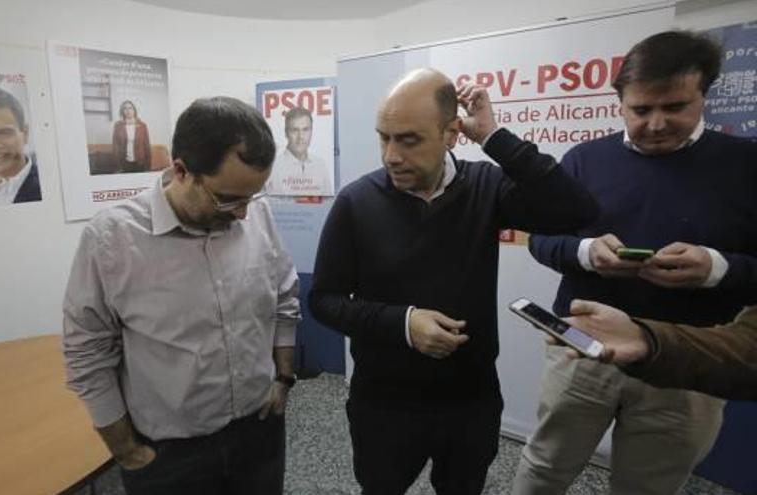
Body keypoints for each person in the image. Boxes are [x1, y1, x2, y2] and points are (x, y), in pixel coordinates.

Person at [308, 68, 598, 495]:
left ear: (451, 134)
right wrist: (404, 324)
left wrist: (496, 137)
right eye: (383, 137)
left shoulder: (486, 187)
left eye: (408, 139)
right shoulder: (357, 201)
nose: (390, 155)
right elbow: (324, 300)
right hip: (385, 402)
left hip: (470, 398)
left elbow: (576, 211)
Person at [513, 31, 757, 495]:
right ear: (620, 102)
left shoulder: (747, 166)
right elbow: (542, 238)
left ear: (703, 96)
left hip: (691, 361)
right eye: (642, 110)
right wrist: (585, 254)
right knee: (545, 466)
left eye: (676, 107)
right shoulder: (585, 160)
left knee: (648, 486)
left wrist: (717, 268)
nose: (657, 123)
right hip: (582, 346)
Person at [63, 96, 301, 495]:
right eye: (228, 199)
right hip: (171, 455)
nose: (243, 213)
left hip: (259, 429)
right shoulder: (112, 240)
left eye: (252, 196)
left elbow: (284, 296)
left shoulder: (256, 213)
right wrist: (126, 451)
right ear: (180, 171)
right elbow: (86, 352)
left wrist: (284, 377)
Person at [558, 300, 757, 401]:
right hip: (616, 341)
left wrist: (716, 267)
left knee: (655, 476)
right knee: (546, 465)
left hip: (693, 366)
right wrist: (649, 340)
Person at [266, 106, 333, 196]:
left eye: (305, 130)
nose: (300, 136)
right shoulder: (272, 167)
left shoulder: (321, 165)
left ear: (311, 132)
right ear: (286, 133)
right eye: (294, 130)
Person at [112, 100, 152, 173]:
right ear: (122, 111)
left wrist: (148, 166)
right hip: (124, 163)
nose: (128, 110)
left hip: (140, 163)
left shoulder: (142, 126)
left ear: (134, 110)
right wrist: (117, 166)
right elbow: (115, 147)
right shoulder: (118, 126)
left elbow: (147, 146)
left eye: (130, 108)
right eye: (125, 108)